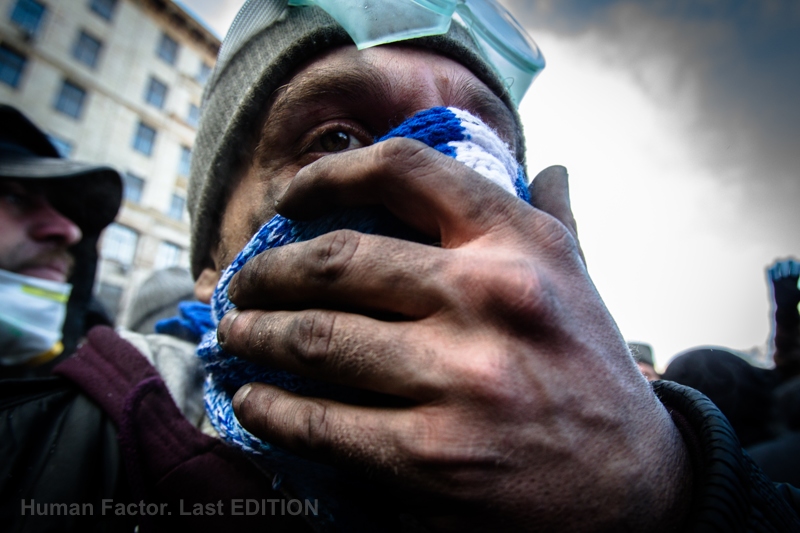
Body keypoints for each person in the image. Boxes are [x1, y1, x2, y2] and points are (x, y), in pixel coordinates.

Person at [184, 1, 799, 531]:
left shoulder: (647, 489)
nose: (436, 191)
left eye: (484, 154)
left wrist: (668, 497)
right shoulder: (99, 448)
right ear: (211, 264)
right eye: (339, 139)